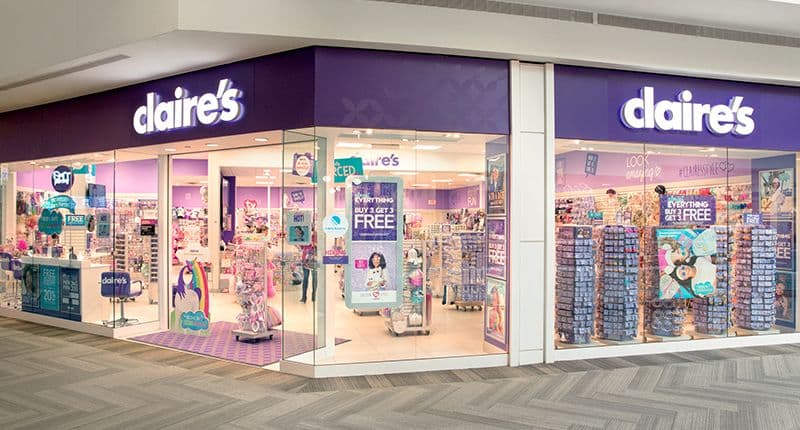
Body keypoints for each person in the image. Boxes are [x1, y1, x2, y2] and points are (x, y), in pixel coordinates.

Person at [299, 229, 317, 303]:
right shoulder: (305, 234)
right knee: (306, 278)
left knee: (314, 278)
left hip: (314, 259)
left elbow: (320, 246)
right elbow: (301, 246)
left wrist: (314, 244)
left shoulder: (316, 234)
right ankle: (304, 297)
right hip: (305, 258)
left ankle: (313, 296)